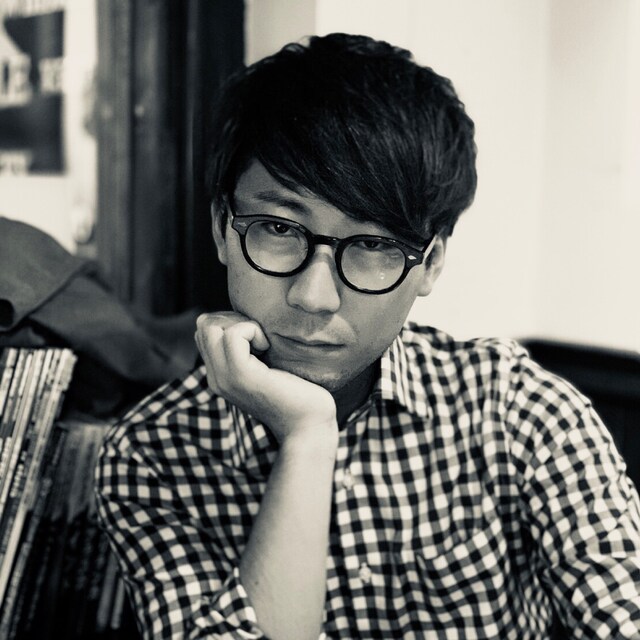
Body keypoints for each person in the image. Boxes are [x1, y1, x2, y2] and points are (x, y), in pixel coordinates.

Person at [95, 33, 640, 640]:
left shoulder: (517, 410)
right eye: (279, 228)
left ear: (430, 263)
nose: (314, 296)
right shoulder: (152, 455)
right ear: (224, 227)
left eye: (375, 244)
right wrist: (307, 437)